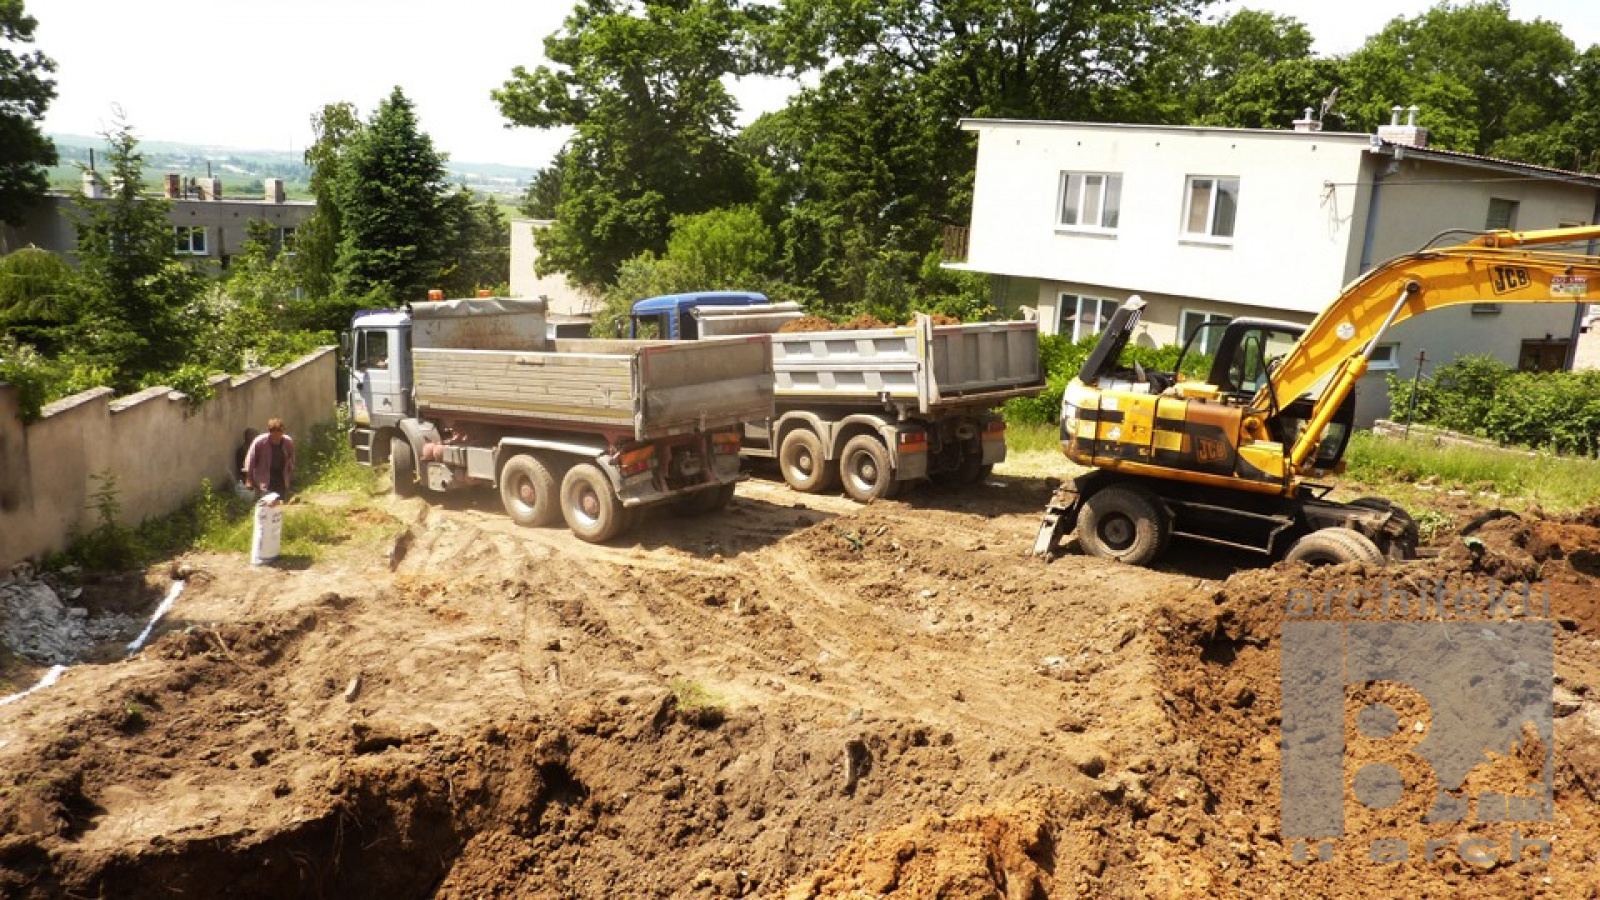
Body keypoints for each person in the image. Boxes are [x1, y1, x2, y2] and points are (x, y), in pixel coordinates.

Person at [242, 418, 296, 498]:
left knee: (280, 499)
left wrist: (290, 470)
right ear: (270, 432)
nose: (277, 437)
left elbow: (291, 457)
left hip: (280, 475)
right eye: (274, 434)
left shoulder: (287, 442)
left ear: (283, 432)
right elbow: (251, 460)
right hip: (264, 474)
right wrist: (249, 479)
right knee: (268, 498)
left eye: (280, 433)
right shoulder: (260, 442)